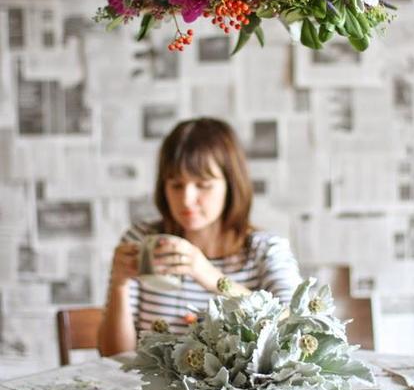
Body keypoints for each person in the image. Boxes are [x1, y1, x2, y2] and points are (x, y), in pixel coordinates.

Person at [98, 117, 302, 356]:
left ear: (231, 185)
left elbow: (296, 326)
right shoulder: (141, 239)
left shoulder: (265, 249)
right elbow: (113, 356)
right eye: (176, 185)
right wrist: (119, 285)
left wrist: (210, 276)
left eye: (203, 184)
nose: (186, 199)